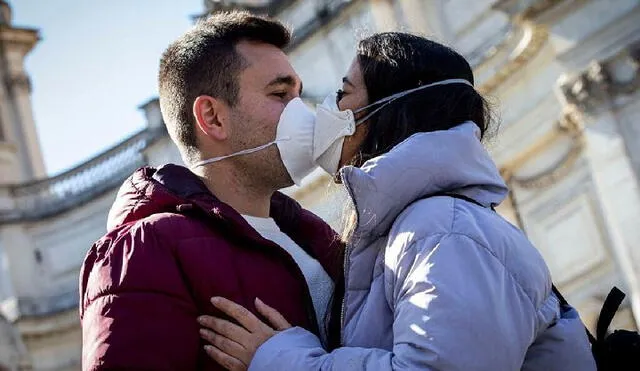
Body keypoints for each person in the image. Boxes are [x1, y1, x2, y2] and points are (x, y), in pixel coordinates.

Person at [197, 32, 597, 371]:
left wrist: (281, 359)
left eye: (343, 93)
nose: (324, 111)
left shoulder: (445, 230)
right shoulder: (424, 226)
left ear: (383, 111)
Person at [79, 11, 344, 370]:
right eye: (280, 94)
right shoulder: (141, 253)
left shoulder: (317, 238)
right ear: (213, 117)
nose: (301, 111)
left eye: (298, 92)